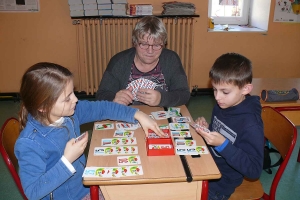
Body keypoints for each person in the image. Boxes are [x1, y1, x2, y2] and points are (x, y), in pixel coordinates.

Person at [14, 62, 165, 200]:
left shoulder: (68, 112)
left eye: (72, 92)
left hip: (85, 183)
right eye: (67, 98)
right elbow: (33, 192)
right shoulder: (29, 144)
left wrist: (137, 114)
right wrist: (67, 160)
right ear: (43, 107)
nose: (75, 100)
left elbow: (102, 108)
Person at [194, 53, 264, 200]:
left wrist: (223, 145)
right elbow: (219, 130)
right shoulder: (223, 104)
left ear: (246, 89)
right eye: (214, 89)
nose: (217, 97)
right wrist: (207, 129)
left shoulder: (251, 125)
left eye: (225, 92)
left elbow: (254, 170)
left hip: (221, 184)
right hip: (208, 164)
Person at [95, 16, 190, 107]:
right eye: (144, 44)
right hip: (127, 116)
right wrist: (114, 99)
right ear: (135, 42)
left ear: (164, 45)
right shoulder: (119, 61)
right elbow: (101, 95)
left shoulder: (171, 59)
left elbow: (184, 94)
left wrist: (161, 98)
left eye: (156, 45)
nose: (150, 51)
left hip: (161, 117)